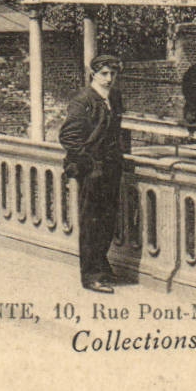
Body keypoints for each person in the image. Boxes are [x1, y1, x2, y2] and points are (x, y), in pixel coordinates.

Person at [58, 54, 125, 294]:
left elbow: (116, 130)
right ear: (93, 74)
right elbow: (68, 137)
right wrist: (89, 163)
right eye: (104, 74)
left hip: (111, 167)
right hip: (91, 170)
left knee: (107, 219)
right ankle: (90, 275)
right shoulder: (83, 100)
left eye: (113, 74)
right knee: (91, 222)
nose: (109, 79)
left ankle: (102, 265)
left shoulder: (114, 97)